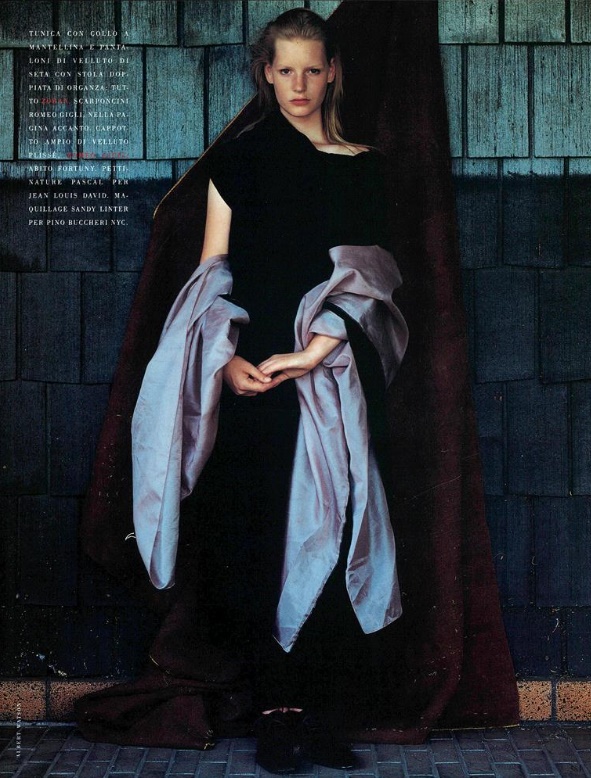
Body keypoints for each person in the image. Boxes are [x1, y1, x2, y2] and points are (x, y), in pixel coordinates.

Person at [129, 7, 407, 773]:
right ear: (266, 74)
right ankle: (277, 716)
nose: (299, 84)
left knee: (333, 526)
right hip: (252, 376)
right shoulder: (238, 160)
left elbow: (375, 277)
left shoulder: (363, 164)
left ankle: (316, 714)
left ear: (333, 72)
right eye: (285, 70)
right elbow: (210, 274)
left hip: (330, 371)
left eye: (312, 68)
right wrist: (224, 363)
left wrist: (314, 351)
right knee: (258, 537)